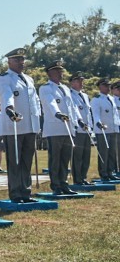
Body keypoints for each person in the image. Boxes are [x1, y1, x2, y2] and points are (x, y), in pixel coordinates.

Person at [0, 48, 42, 203]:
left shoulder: (29, 79)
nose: (21, 63)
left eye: (22, 59)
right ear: (9, 62)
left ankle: (26, 192)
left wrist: (38, 120)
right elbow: (6, 95)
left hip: (29, 125)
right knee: (15, 161)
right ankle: (16, 193)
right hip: (14, 125)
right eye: (17, 60)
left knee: (27, 160)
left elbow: (35, 101)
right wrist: (9, 108)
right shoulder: (4, 78)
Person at [38, 60, 80, 195]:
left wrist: (76, 122)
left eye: (61, 71)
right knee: (55, 158)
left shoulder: (66, 88)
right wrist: (57, 113)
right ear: (50, 73)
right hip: (54, 127)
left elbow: (71, 107)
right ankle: (55, 184)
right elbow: (50, 103)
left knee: (65, 158)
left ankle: (64, 183)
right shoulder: (45, 88)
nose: (60, 73)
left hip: (68, 128)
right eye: (57, 71)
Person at [91, 79, 120, 181]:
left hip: (113, 129)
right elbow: (96, 114)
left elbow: (115, 115)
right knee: (104, 152)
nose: (108, 87)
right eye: (105, 85)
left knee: (112, 152)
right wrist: (98, 123)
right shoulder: (96, 99)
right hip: (102, 129)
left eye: (109, 85)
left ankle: (110, 172)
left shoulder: (112, 99)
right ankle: (103, 173)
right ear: (99, 87)